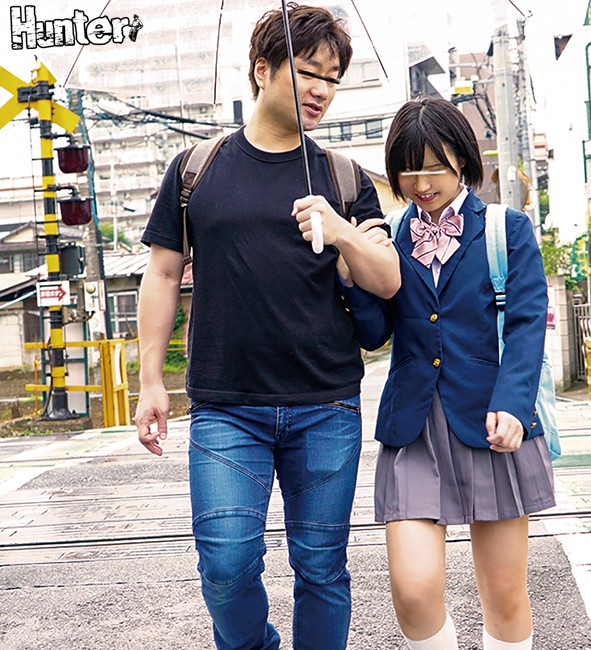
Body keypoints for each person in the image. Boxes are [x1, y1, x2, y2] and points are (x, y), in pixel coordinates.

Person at [133, 4, 400, 649]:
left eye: (333, 78)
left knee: (322, 569)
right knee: (225, 566)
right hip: (226, 405)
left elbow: (388, 279)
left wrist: (340, 231)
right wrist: (150, 380)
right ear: (262, 70)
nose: (322, 90)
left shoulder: (343, 177)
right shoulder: (196, 169)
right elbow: (162, 275)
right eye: (309, 72)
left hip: (325, 402)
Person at [342, 97, 555, 650]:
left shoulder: (506, 229)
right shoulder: (388, 235)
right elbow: (374, 333)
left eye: (434, 167)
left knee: (504, 595)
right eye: (407, 171)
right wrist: (349, 269)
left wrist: (513, 404)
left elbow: (527, 325)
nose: (421, 183)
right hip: (413, 428)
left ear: (461, 159)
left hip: (490, 420)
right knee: (412, 592)